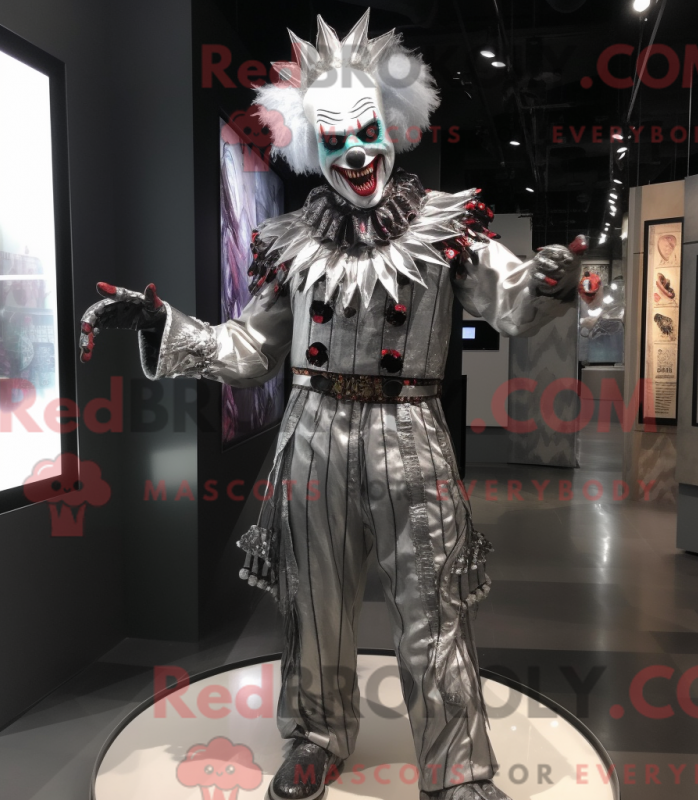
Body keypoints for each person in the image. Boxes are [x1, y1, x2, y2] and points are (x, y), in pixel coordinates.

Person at [78, 11, 584, 800]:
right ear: (313, 148)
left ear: (393, 126)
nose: (356, 154)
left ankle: (457, 769)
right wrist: (163, 323)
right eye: (336, 140)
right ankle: (316, 736)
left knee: (433, 604)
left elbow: (513, 302)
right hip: (312, 431)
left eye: (367, 132)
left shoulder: (447, 228)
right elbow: (251, 349)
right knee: (312, 602)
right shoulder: (290, 244)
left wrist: (549, 279)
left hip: (411, 430)